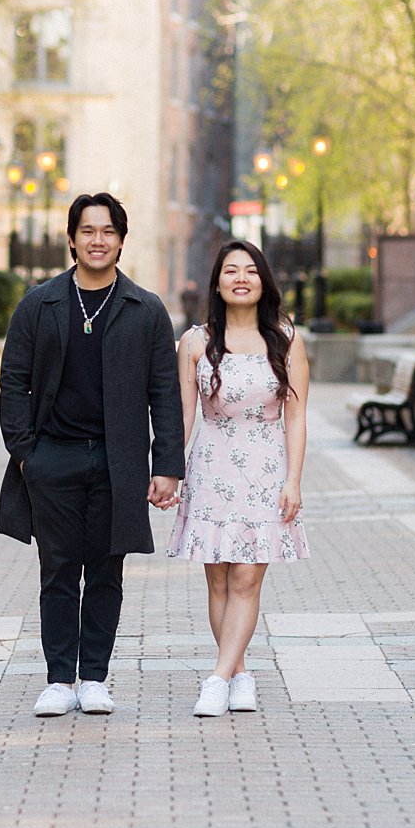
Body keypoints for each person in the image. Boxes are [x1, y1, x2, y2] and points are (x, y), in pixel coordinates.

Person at [0, 192, 185, 717]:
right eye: (88, 231)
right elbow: (13, 381)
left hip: (117, 462)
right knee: (57, 568)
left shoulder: (144, 310)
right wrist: (26, 453)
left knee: (106, 569)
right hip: (51, 458)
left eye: (107, 232)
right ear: (72, 238)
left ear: (121, 240)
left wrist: (166, 465)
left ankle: (95, 677)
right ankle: (59, 679)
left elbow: (164, 393)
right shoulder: (41, 303)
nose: (97, 241)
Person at [170, 239, 311, 718]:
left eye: (251, 270)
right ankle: (240, 673)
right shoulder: (194, 342)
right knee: (219, 581)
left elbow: (296, 417)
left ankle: (217, 678)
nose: (241, 278)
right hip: (212, 469)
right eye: (231, 270)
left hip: (265, 471)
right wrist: (166, 471)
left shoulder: (287, 339)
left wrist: (293, 480)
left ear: (263, 281)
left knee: (248, 577)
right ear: (217, 283)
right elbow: (183, 419)